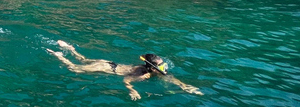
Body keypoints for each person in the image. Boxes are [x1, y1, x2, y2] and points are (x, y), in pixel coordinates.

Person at [47, 40, 202, 101]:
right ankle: (59, 55)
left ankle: (71, 49)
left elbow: (169, 77)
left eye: (162, 65)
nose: (163, 68)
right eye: (159, 66)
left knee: (83, 60)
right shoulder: (143, 75)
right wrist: (132, 90)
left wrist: (184, 86)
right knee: (75, 69)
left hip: (109, 63)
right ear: (150, 68)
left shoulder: (151, 71)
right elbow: (126, 80)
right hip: (105, 67)